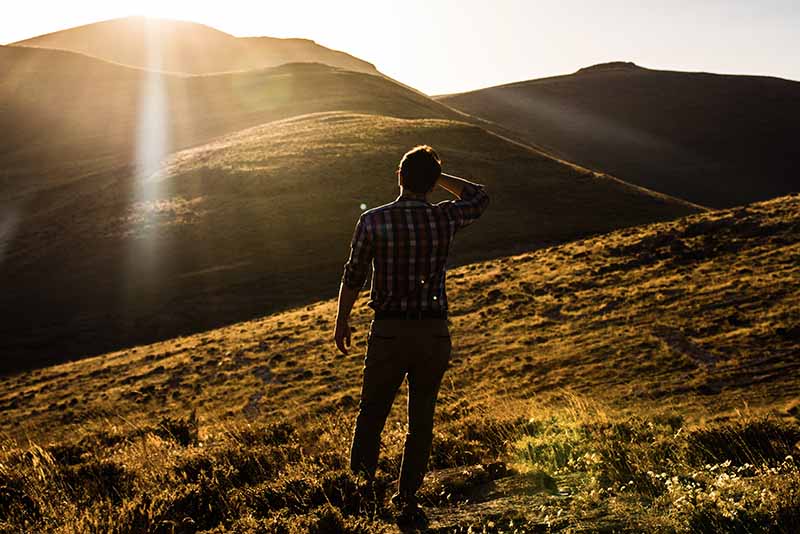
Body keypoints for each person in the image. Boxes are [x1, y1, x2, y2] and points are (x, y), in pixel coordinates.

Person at [333, 145, 490, 525]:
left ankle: (362, 495)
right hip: (434, 332)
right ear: (432, 183)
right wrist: (438, 178)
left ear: (399, 177)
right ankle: (406, 497)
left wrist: (342, 320)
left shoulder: (373, 220)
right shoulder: (444, 217)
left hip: (388, 331)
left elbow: (354, 274)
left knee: (371, 415)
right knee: (421, 418)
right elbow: (479, 197)